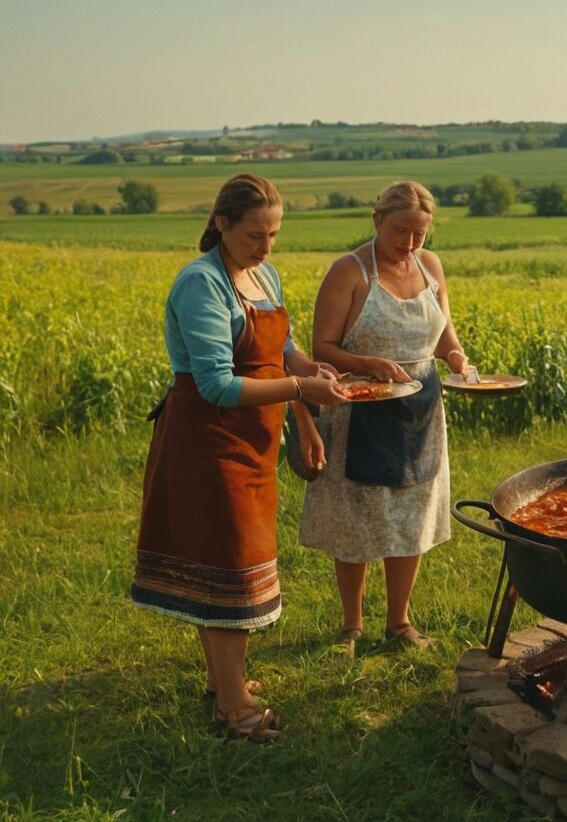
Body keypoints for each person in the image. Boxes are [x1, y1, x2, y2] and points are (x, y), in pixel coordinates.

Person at [132, 173, 349, 741]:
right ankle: (235, 709)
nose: (267, 246)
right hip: (207, 443)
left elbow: (281, 348)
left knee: (225, 568)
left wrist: (307, 377)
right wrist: (302, 393)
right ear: (222, 225)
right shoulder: (201, 285)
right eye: (256, 234)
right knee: (229, 568)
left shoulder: (264, 274)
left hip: (254, 443)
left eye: (274, 234)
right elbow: (217, 386)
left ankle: (223, 682)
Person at [299, 181, 475, 655]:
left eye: (420, 234)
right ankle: (351, 626)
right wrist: (367, 364)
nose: (410, 243)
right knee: (357, 517)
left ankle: (399, 622)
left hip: (421, 408)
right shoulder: (349, 271)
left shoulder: (431, 266)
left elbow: (443, 335)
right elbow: (322, 347)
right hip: (360, 405)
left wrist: (458, 360)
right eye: (401, 231)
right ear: (377, 220)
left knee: (412, 513)